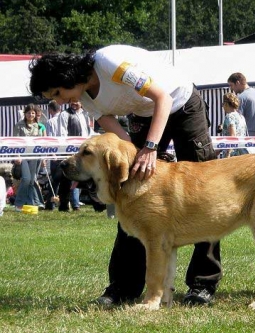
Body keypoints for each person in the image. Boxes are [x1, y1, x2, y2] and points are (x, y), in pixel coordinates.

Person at [29, 44, 220, 307]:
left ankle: (202, 285)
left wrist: (151, 148)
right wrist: (133, 158)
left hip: (181, 103)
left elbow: (162, 98)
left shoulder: (111, 64)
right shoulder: (83, 97)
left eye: (57, 93)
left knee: (203, 193)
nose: (59, 102)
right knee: (128, 195)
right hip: (145, 114)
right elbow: (122, 141)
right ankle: (123, 287)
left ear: (67, 77)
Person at [56, 101, 93, 212]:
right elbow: (62, 133)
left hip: (84, 150)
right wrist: (66, 149)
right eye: (72, 101)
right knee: (66, 178)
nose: (74, 103)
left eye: (77, 101)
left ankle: (95, 204)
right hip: (70, 151)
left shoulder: (86, 114)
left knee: (88, 176)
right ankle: (63, 205)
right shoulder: (64, 114)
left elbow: (89, 131)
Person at [12, 104, 45, 211]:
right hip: (23, 155)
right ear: (25, 114)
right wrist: (17, 156)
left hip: (35, 155)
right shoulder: (19, 125)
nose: (30, 114)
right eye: (28, 112)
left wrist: (44, 157)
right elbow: (15, 141)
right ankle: (19, 204)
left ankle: (32, 203)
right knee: (26, 179)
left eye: (33, 113)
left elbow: (42, 143)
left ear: (35, 114)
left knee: (32, 180)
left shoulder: (39, 126)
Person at [44, 100, 62, 210]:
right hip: (65, 152)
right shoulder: (66, 119)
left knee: (55, 180)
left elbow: (49, 139)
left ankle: (50, 203)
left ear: (50, 110)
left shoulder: (50, 122)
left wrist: (52, 154)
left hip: (55, 152)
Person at [220, 92, 249, 158]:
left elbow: (232, 135)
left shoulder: (229, 116)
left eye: (223, 104)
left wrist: (228, 153)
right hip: (242, 152)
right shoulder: (241, 117)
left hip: (233, 154)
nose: (223, 107)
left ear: (226, 104)